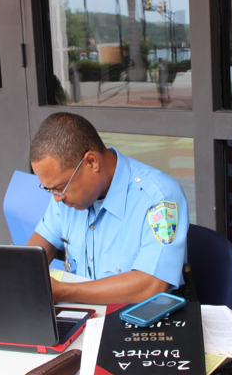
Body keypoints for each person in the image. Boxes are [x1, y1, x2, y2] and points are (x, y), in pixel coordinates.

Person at [27, 112, 189, 305]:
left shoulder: (159, 198)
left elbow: (151, 285)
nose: (56, 198)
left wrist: (64, 292)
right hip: (83, 317)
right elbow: (31, 258)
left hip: (136, 323)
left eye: (60, 187)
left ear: (91, 162)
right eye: (50, 189)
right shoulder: (66, 198)